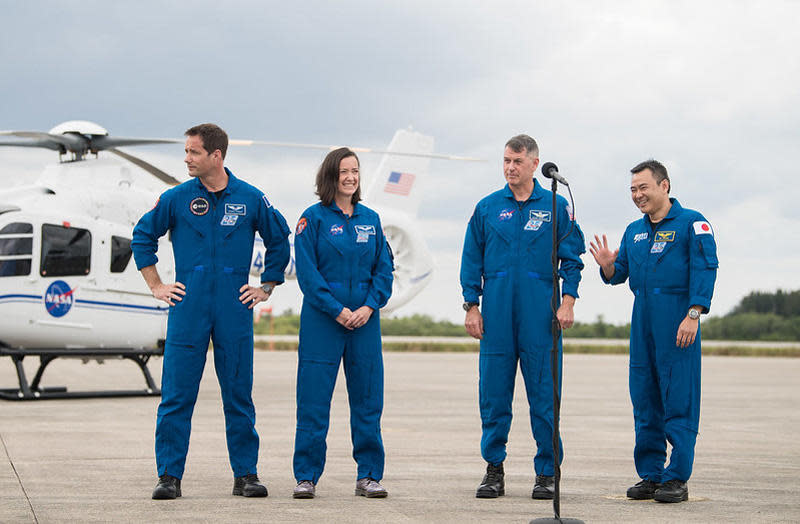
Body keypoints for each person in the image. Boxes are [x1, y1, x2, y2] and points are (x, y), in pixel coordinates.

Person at [131, 123, 291, 500]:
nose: (186, 158)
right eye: (186, 151)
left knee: (238, 393)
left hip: (234, 307)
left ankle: (246, 476)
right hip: (188, 306)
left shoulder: (251, 198)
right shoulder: (175, 198)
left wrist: (265, 286)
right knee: (176, 394)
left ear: (216, 156)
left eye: (193, 152)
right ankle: (169, 476)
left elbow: (279, 239)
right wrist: (157, 285)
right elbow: (142, 235)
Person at [460, 134, 585, 500]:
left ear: (534, 163)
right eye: (505, 161)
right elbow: (472, 259)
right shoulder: (486, 208)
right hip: (497, 314)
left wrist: (569, 301)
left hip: (540, 314)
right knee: (494, 396)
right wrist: (471, 305)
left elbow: (573, 259)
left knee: (545, 398)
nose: (510, 168)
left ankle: (547, 472)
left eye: (517, 161)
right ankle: (493, 470)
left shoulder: (556, 206)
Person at [589, 159, 718, 503]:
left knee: (679, 399)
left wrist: (693, 312)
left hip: (677, 320)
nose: (637, 195)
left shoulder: (693, 223)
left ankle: (676, 478)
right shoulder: (634, 231)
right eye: (632, 189)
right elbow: (621, 275)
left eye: (643, 187)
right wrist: (607, 266)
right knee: (645, 399)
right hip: (642, 319)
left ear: (665, 186)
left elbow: (706, 268)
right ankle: (651, 474)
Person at [291, 147, 394, 500]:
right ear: (330, 176)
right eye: (343, 172)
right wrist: (336, 310)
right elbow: (308, 274)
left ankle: (368, 475)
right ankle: (306, 476)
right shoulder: (312, 219)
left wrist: (368, 306)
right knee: (313, 401)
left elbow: (384, 270)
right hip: (323, 322)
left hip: (365, 323)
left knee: (368, 400)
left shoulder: (371, 220)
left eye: (355, 171)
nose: (350, 177)